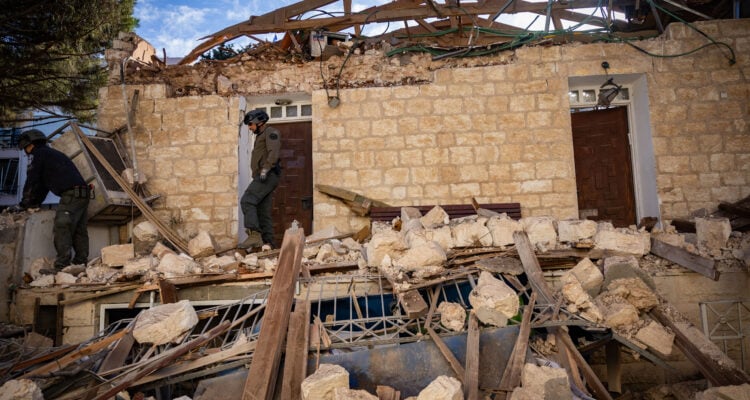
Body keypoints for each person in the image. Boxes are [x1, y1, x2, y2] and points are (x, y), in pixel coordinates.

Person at [17, 129, 91, 272]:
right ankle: (81, 263)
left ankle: (62, 265)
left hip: (71, 193)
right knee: (78, 229)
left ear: (29, 144)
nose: (26, 152)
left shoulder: (37, 154)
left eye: (25, 148)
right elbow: (43, 185)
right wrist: (34, 202)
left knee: (62, 225)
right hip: (83, 192)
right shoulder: (52, 154)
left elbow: (32, 180)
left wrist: (24, 203)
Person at [239, 109, 281, 249]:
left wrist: (265, 169)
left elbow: (273, 153)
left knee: (247, 200)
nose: (249, 127)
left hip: (267, 175)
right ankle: (269, 245)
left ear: (260, 122)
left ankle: (254, 235)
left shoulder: (271, 132)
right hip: (263, 176)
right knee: (263, 212)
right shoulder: (260, 135)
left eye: (251, 124)